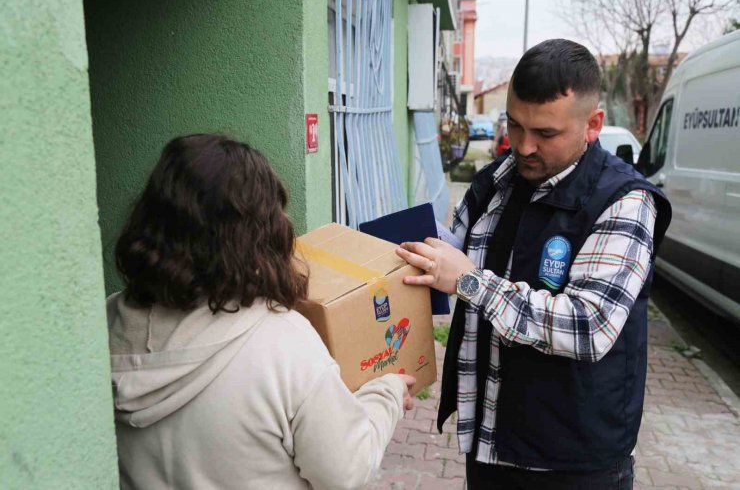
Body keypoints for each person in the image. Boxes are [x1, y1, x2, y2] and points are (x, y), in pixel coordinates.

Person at [395, 39, 671, 489]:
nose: (524, 146)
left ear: (593, 124)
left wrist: (469, 281)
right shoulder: (498, 181)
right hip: (490, 446)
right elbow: (453, 255)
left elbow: (588, 325)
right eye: (515, 124)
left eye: (545, 134)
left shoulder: (624, 201)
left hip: (572, 465)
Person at [107, 133, 415, 490]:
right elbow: (347, 472)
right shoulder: (284, 344)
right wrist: (386, 394)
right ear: (260, 235)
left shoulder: (107, 321)